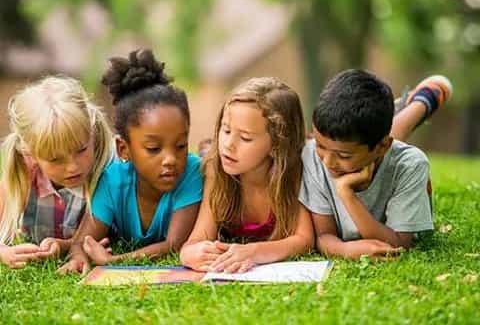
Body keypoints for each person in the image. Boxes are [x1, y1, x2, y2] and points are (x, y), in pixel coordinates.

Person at [59, 49, 203, 274]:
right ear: (123, 149)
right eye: (154, 148)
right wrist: (78, 257)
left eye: (181, 145)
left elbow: (174, 244)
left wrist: (114, 261)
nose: (170, 159)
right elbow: (82, 241)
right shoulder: (112, 180)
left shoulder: (192, 172)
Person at [300, 70, 453, 259]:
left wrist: (347, 194)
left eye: (343, 156)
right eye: (319, 145)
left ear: (382, 146)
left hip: (385, 150)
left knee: (391, 147)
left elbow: (399, 245)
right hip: (369, 142)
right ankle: (410, 106)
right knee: (373, 138)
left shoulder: (410, 165)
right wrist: (346, 250)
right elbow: (324, 235)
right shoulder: (312, 156)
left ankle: (421, 103)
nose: (327, 162)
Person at [180, 77, 314, 274]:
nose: (228, 145)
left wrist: (254, 252)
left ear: (277, 145)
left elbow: (304, 240)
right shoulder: (216, 170)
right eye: (226, 130)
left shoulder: (293, 172)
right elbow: (198, 238)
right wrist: (190, 253)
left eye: (245, 138)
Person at [0, 76, 113, 268]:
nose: (73, 167)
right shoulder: (24, 172)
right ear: (31, 153)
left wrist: (64, 246)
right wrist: (3, 252)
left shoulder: (109, 172)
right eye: (55, 159)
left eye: (81, 150)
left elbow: (112, 238)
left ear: (91, 132)